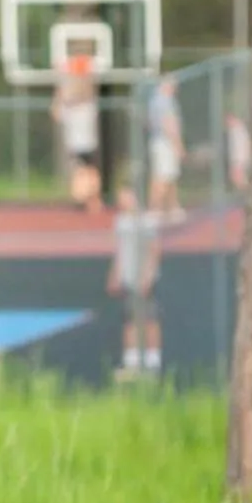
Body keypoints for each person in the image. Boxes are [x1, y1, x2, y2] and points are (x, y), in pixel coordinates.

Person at [107, 187, 162, 378]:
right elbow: (119, 251)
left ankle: (153, 361)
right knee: (129, 319)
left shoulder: (146, 221)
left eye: (126, 197)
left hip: (143, 278)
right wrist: (115, 275)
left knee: (149, 318)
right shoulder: (120, 222)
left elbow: (155, 250)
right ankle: (132, 362)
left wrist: (148, 276)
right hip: (128, 278)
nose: (123, 202)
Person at [51, 51, 102, 212]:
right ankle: (85, 198)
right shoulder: (70, 108)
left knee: (88, 172)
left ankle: (91, 199)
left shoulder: (88, 105)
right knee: (82, 172)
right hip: (75, 144)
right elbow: (56, 111)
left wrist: (82, 71)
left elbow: (85, 88)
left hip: (87, 143)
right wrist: (61, 81)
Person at [146, 75, 185, 222]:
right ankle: (155, 208)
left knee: (170, 176)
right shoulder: (165, 101)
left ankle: (172, 207)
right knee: (162, 177)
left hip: (160, 142)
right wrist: (178, 145)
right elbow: (169, 124)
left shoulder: (155, 101)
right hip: (165, 143)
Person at [224, 113, 252, 193]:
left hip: (239, 159)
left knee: (237, 176)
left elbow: (243, 145)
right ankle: (244, 188)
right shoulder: (233, 130)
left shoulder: (239, 129)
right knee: (236, 176)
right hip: (238, 159)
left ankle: (245, 188)